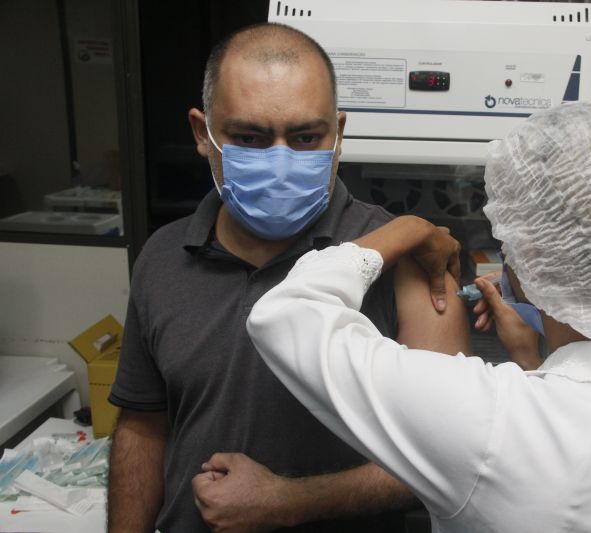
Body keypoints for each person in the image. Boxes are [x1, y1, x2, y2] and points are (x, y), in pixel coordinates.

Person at [247, 100, 591, 533]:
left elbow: (285, 314)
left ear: (537, 258)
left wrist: (406, 229)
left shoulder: (491, 423)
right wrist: (533, 360)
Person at [107, 22, 470, 533]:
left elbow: (451, 458)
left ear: (338, 133)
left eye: (305, 137)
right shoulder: (163, 257)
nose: (280, 161)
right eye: (249, 138)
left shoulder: (411, 261)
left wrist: (290, 501)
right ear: (201, 133)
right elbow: (143, 428)